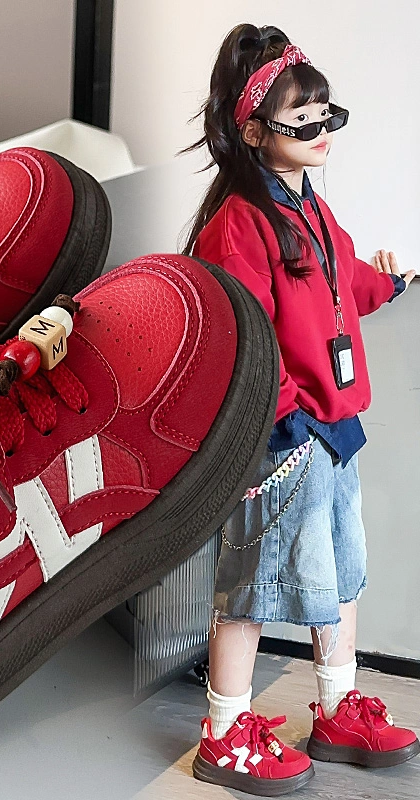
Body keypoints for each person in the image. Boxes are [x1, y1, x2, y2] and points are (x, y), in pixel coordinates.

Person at [184, 23, 419, 796]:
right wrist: (287, 415)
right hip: (285, 437)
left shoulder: (309, 206)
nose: (322, 131)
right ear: (253, 131)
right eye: (303, 119)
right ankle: (224, 733)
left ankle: (337, 710)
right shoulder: (239, 223)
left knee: (342, 578)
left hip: (332, 432)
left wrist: (389, 284)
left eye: (327, 115)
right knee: (250, 588)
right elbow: (243, 336)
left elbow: (342, 276)